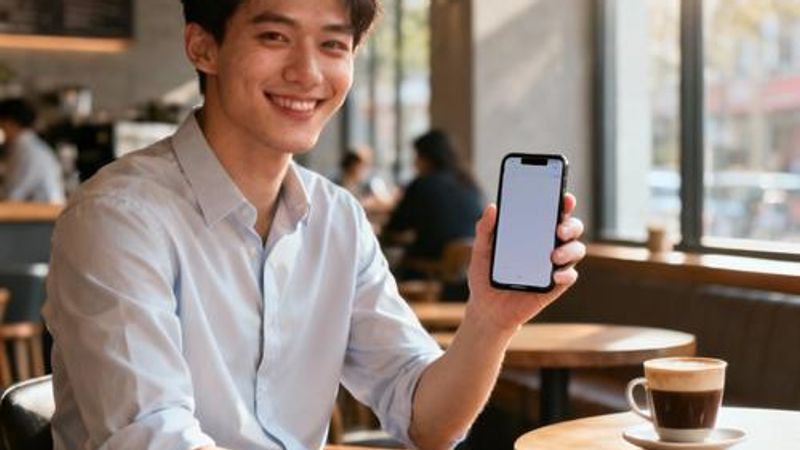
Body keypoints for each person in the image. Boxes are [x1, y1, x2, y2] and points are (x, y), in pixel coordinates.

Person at [42, 1, 585, 450]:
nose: (307, 73)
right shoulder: (117, 219)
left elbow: (428, 421)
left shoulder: (338, 220)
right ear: (202, 46)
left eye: (332, 45)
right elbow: (153, 437)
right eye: (275, 36)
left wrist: (490, 322)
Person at [385, 129, 484, 262]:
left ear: (427, 158)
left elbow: (394, 228)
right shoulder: (469, 183)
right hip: (466, 268)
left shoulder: (422, 184)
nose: (414, 163)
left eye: (417, 156)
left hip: (430, 264)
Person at [0, 98, 65, 203]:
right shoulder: (27, 146)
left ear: (10, 123)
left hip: (43, 216)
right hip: (40, 214)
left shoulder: (27, 150)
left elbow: (12, 195)